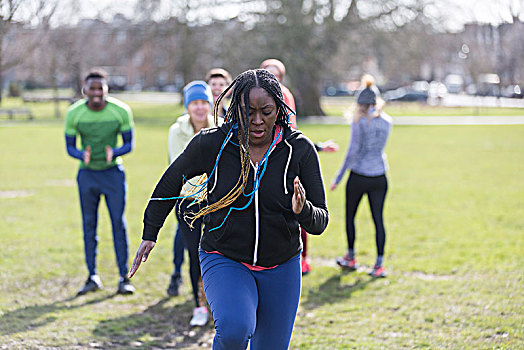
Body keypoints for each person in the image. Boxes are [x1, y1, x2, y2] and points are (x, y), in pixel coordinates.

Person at [129, 69, 329, 349]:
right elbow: (170, 182)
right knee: (235, 329)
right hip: (224, 257)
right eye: (249, 112)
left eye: (267, 111)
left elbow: (320, 221)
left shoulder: (298, 149)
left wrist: (302, 209)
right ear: (236, 109)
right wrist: (150, 232)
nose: (258, 120)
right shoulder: (213, 143)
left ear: (279, 110)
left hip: (281, 265)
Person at [261, 58, 338, 275]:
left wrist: (319, 147)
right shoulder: (255, 93)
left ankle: (301, 257)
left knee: (297, 206)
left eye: (276, 74)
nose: (271, 77)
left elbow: (291, 134)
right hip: (260, 160)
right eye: (267, 72)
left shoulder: (285, 96)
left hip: (283, 161)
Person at [65, 67, 135, 295]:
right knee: (89, 225)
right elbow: (69, 146)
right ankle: (92, 275)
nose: (96, 93)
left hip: (113, 174)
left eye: (100, 88)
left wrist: (114, 152)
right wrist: (80, 155)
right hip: (87, 175)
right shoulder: (74, 113)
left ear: (106, 89)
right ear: (84, 89)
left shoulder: (121, 111)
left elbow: (129, 144)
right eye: (91, 88)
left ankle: (124, 277)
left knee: (118, 224)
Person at [166, 81, 218, 327]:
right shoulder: (177, 131)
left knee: (219, 253)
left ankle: (217, 301)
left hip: (218, 200)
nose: (199, 108)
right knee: (195, 253)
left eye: (203, 103)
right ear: (188, 106)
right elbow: (180, 169)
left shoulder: (220, 127)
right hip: (189, 201)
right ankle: (199, 305)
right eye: (195, 103)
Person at [330, 74, 392, 278]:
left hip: (359, 176)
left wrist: (338, 178)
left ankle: (351, 256)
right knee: (378, 220)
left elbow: (352, 151)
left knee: (350, 217)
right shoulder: (387, 122)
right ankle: (380, 263)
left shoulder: (360, 122)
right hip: (380, 176)